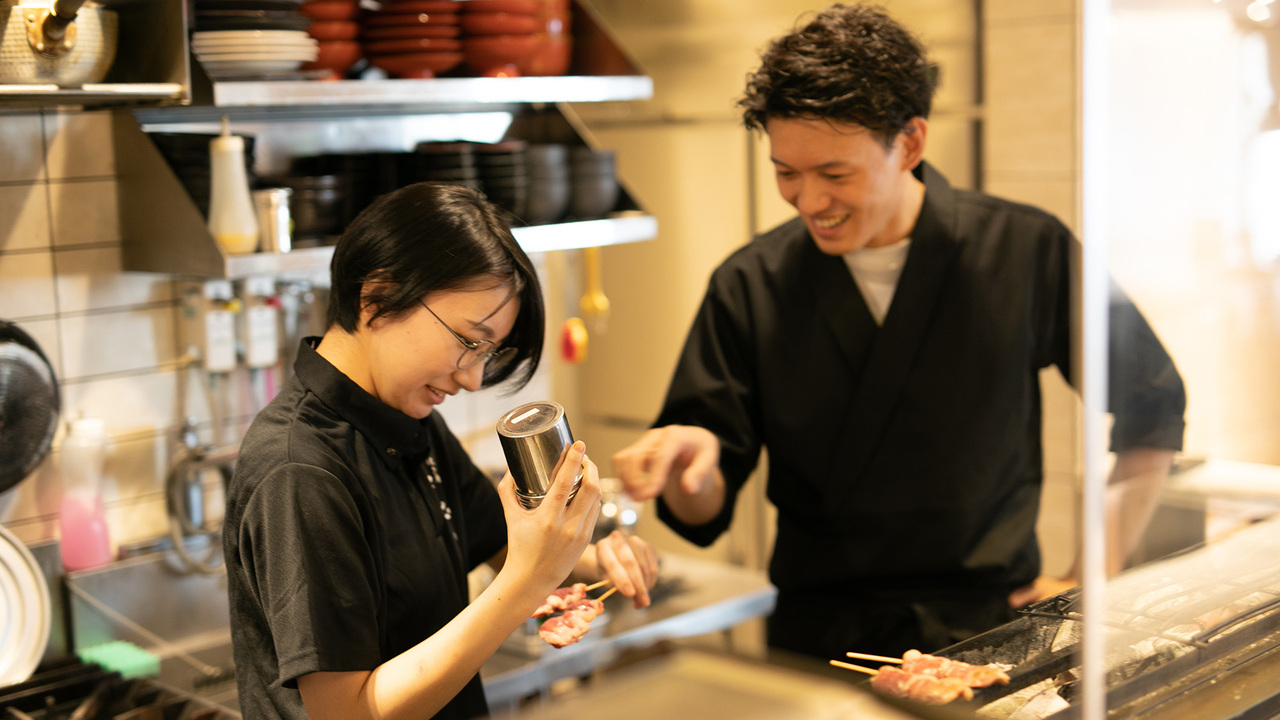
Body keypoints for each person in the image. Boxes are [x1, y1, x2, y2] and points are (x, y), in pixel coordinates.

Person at [612, 3, 1186, 662]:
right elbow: (701, 508)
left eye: (835, 174)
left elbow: (1153, 404)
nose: (808, 201)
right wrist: (690, 469)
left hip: (992, 632)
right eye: (786, 172)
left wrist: (1092, 576)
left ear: (910, 143)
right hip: (822, 644)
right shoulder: (750, 282)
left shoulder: (1025, 249)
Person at [223, 182, 659, 720]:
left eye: (488, 353)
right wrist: (524, 587)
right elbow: (345, 712)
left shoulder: (407, 421)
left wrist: (602, 559)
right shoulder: (299, 470)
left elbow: (503, 545)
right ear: (378, 298)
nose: (473, 379)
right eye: (469, 342)